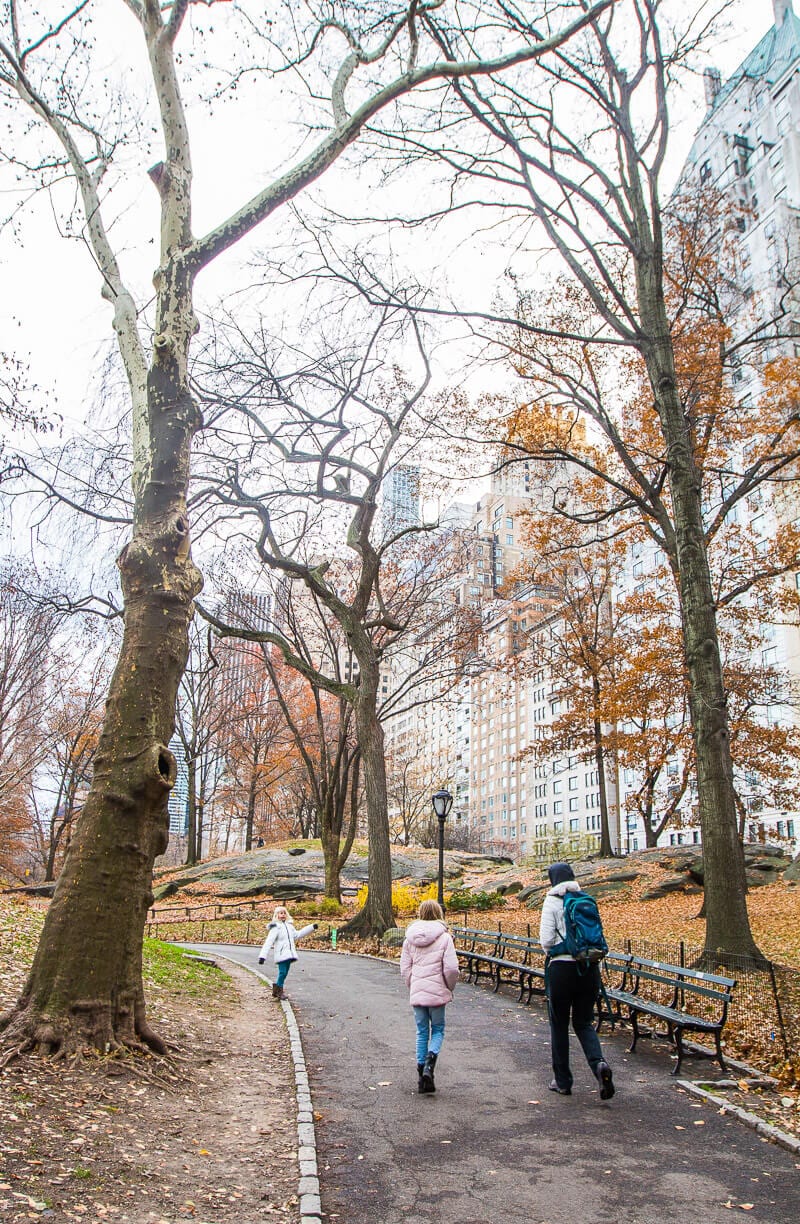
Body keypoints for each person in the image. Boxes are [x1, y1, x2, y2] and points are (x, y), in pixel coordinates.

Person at [539, 862, 615, 1100]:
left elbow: (546, 942)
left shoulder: (551, 901)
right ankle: (599, 1064)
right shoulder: (585, 899)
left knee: (559, 1025)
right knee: (583, 1022)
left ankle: (562, 1081)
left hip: (561, 969)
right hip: (588, 967)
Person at [400, 899, 460, 1094]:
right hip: (438, 993)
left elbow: (405, 968)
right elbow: (451, 969)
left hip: (418, 991)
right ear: (439, 913)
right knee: (438, 1029)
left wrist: (413, 985)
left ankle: (421, 1076)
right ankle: (429, 1065)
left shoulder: (409, 938)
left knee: (421, 1031)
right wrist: (448, 987)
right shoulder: (445, 937)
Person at [258, 905, 317, 999]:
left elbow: (298, 935)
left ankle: (276, 990)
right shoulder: (275, 928)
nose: (283, 915)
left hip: (289, 955)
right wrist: (262, 956)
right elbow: (268, 942)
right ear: (276, 915)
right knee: (282, 972)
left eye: (284, 913)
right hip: (281, 955)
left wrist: (311, 927)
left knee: (285, 973)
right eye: (281, 913)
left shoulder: (290, 927)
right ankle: (279, 991)